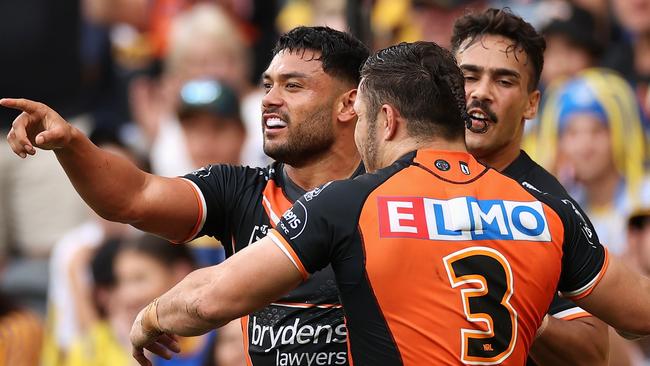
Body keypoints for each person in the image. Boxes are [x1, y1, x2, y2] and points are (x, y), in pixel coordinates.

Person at [124, 40, 650, 365]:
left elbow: (211, 298)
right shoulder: (542, 205)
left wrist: (149, 318)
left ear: (388, 120)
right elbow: (638, 313)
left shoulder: (349, 202)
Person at [3, 25, 370, 365]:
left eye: (292, 86)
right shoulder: (239, 189)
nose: (270, 100)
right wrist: (70, 143)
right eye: (267, 85)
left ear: (348, 104)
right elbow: (134, 196)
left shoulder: (391, 193)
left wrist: (153, 316)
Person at [450, 8, 609, 365]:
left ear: (531, 104)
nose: (481, 93)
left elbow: (594, 352)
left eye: (504, 81)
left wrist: (521, 311)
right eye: (468, 76)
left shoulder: (551, 206)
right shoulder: (398, 181)